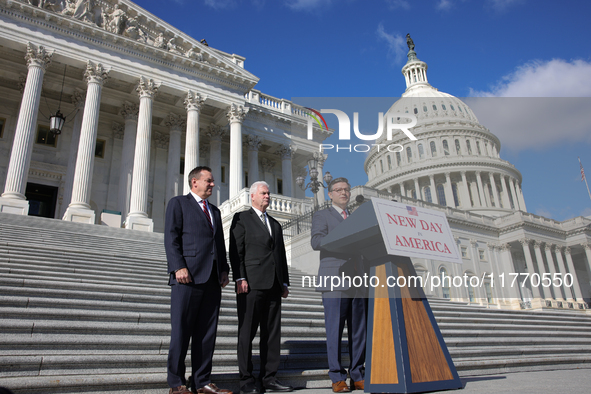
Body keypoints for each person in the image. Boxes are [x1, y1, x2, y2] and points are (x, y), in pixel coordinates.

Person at [164, 166, 233, 394]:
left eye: (212, 181)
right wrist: (178, 266)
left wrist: (224, 269)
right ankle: (176, 383)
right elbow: (171, 237)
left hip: (212, 279)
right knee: (181, 331)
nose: (213, 184)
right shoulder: (178, 203)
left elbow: (219, 244)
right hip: (187, 277)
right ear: (194, 182)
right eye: (209, 180)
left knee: (206, 334)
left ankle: (202, 381)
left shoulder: (214, 210)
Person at [229, 181, 293, 394]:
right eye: (264, 193)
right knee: (247, 333)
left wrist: (284, 282)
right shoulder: (242, 219)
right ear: (253, 196)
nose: (268, 196)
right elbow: (236, 251)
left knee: (272, 333)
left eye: (268, 193)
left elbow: (280, 255)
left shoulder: (274, 223)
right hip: (251, 284)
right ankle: (246, 380)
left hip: (274, 284)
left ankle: (269, 378)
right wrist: (240, 278)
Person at [311, 178, 367, 393]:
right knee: (334, 330)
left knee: (358, 331)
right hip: (334, 278)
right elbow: (316, 241)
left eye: (346, 189)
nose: (343, 193)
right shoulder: (322, 215)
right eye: (338, 190)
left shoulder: (355, 218)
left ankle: (357, 374)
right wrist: (344, 238)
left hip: (357, 279)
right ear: (330, 194)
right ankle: (337, 377)